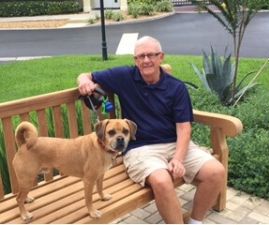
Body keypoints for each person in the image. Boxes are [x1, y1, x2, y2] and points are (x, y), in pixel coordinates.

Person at [77, 36, 225, 224]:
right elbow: (88, 75)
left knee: (216, 172)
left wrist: (178, 159)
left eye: (151, 55)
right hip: (141, 149)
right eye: (141, 56)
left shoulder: (176, 87)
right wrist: (83, 79)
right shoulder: (125, 77)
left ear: (160, 57)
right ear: (135, 60)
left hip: (174, 144)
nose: (146, 60)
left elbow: (184, 128)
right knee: (162, 181)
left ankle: (195, 221)